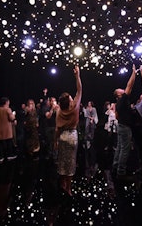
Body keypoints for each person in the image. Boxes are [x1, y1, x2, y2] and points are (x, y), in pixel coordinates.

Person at [54, 65, 82, 197]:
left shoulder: (60, 111)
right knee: (71, 162)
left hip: (62, 137)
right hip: (72, 137)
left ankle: (62, 183)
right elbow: (79, 89)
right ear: (70, 101)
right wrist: (77, 75)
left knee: (62, 161)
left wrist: (55, 141)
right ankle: (68, 188)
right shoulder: (75, 107)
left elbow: (57, 129)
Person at [0, 96, 17, 220]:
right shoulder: (7, 110)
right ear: (6, 103)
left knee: (0, 156)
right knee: (8, 156)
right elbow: (12, 118)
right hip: (7, 134)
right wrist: (13, 114)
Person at [112, 64, 137, 179]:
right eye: (120, 90)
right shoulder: (122, 99)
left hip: (121, 126)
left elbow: (116, 116)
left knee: (120, 147)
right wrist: (133, 73)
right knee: (125, 150)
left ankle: (115, 166)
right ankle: (121, 172)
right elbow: (129, 85)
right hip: (125, 127)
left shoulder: (118, 103)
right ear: (118, 94)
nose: (123, 89)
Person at [83, 100, 99, 179]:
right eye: (88, 103)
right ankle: (87, 140)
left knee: (92, 129)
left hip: (92, 120)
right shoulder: (86, 109)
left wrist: (93, 119)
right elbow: (85, 115)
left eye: (90, 103)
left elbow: (95, 115)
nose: (89, 104)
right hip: (88, 120)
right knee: (87, 129)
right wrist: (90, 118)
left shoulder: (94, 109)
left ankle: (91, 139)